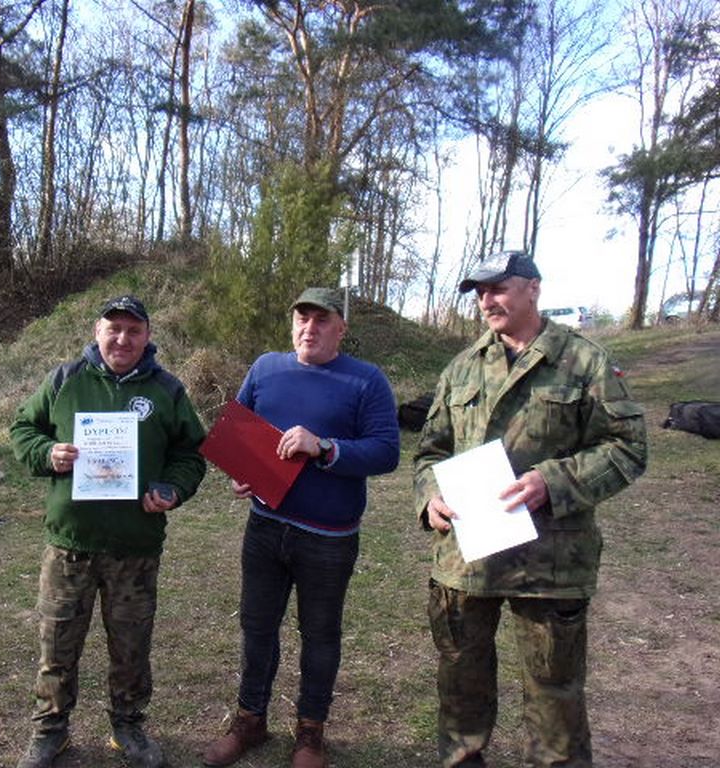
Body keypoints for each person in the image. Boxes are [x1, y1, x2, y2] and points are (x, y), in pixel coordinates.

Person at [414, 250, 648, 768]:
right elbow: (430, 451)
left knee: (554, 697)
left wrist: (553, 481)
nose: (486, 301)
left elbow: (628, 447)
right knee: (460, 687)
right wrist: (430, 495)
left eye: (498, 288)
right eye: (480, 292)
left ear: (533, 288)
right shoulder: (461, 367)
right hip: (465, 561)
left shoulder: (583, 361)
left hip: (549, 564)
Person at [203, 287, 400, 768]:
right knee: (256, 626)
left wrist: (326, 447)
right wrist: (240, 471)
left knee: (320, 634)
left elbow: (386, 451)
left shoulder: (366, 380)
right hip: (265, 527)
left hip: (328, 536)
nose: (309, 328)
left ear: (341, 329)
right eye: (302, 318)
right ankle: (250, 720)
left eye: (321, 319)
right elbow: (239, 429)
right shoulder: (265, 368)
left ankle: (310, 732)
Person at [10, 295, 207, 768]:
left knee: (131, 646)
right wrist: (47, 453)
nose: (122, 339)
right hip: (69, 545)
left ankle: (128, 727)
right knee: (57, 644)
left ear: (147, 336)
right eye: (113, 328)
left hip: (134, 547)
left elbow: (190, 454)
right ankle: (51, 731)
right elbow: (23, 429)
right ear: (97, 331)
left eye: (133, 330)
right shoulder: (65, 379)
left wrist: (172, 489)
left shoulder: (166, 389)